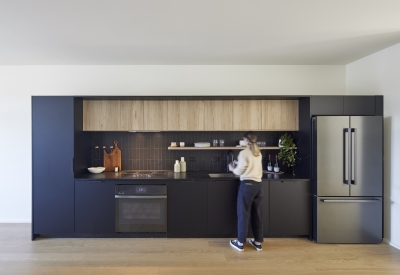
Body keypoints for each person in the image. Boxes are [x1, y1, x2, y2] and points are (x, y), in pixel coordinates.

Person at [228, 131, 263, 251]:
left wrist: (233, 168)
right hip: (258, 185)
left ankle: (240, 243)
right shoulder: (257, 152)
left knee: (243, 214)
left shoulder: (244, 153)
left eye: (243, 139)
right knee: (256, 214)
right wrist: (239, 163)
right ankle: (258, 242)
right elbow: (251, 164)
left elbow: (239, 171)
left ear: (246, 140)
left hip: (247, 185)